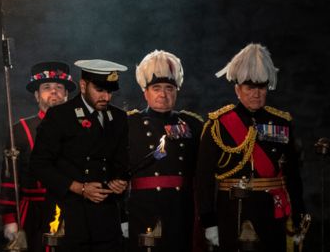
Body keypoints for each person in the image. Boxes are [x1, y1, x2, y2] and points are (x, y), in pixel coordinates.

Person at [196, 43, 305, 252]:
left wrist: (298, 215)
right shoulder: (218, 124)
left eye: (261, 87)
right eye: (250, 87)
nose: (256, 93)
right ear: (238, 89)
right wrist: (209, 222)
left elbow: (293, 175)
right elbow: (204, 179)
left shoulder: (282, 123)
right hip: (232, 212)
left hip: (273, 213)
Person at [30, 59, 130, 252]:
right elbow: (39, 165)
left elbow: (121, 161)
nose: (106, 97)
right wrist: (79, 188)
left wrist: (120, 181)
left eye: (110, 91)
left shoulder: (118, 117)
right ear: (83, 86)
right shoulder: (59, 115)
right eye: (100, 90)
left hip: (107, 216)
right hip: (70, 214)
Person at [124, 50, 203, 251]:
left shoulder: (192, 124)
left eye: (169, 88)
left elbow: (202, 173)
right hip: (143, 209)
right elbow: (118, 175)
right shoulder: (129, 124)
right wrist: (121, 217)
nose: (163, 94)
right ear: (145, 92)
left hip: (181, 209)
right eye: (156, 88)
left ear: (176, 91)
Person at [0, 61, 76, 251]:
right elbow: (9, 178)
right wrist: (9, 218)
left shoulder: (82, 127)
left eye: (59, 87)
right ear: (37, 95)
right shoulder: (19, 130)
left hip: (71, 209)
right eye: (47, 87)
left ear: (66, 94)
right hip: (32, 212)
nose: (53, 91)